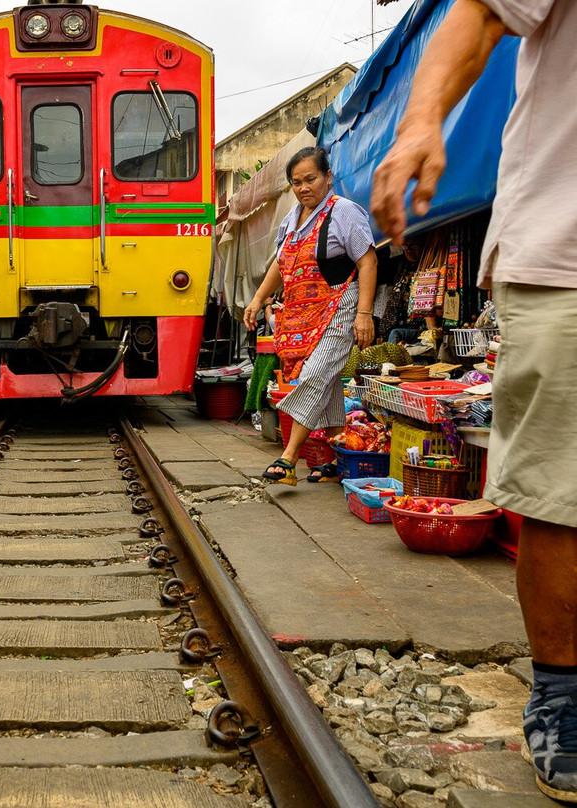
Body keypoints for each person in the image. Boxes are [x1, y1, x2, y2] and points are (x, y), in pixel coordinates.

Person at [371, 1, 577, 800]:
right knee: (560, 491)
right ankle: (562, 693)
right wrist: (421, 120)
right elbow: (483, 11)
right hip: (566, 251)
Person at [243, 146, 377, 486]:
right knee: (329, 382)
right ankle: (338, 458)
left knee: (315, 373)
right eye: (296, 182)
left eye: (311, 179)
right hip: (304, 315)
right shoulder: (293, 218)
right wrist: (258, 299)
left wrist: (364, 314)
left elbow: (367, 261)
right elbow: (280, 262)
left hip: (341, 305)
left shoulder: (344, 212)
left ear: (328, 177)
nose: (304, 188)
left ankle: (289, 458)